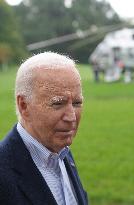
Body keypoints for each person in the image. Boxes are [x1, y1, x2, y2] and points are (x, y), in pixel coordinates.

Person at [0, 52, 88, 205]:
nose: (72, 117)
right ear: (24, 106)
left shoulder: (61, 151)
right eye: (57, 104)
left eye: (76, 103)